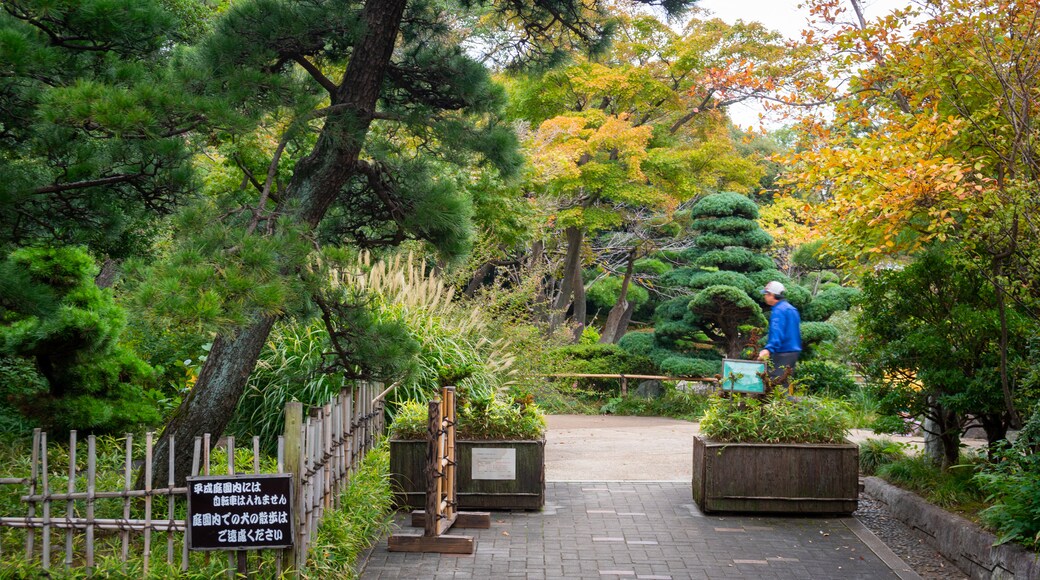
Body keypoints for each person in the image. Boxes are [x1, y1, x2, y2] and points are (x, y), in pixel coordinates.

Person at [758, 281, 801, 388]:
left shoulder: (778, 311)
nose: (764, 297)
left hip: (782, 352)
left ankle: (793, 404)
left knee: (775, 384)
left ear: (772, 295)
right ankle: (788, 404)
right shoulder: (791, 309)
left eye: (766, 294)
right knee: (785, 383)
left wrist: (768, 349)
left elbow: (777, 333)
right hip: (793, 352)